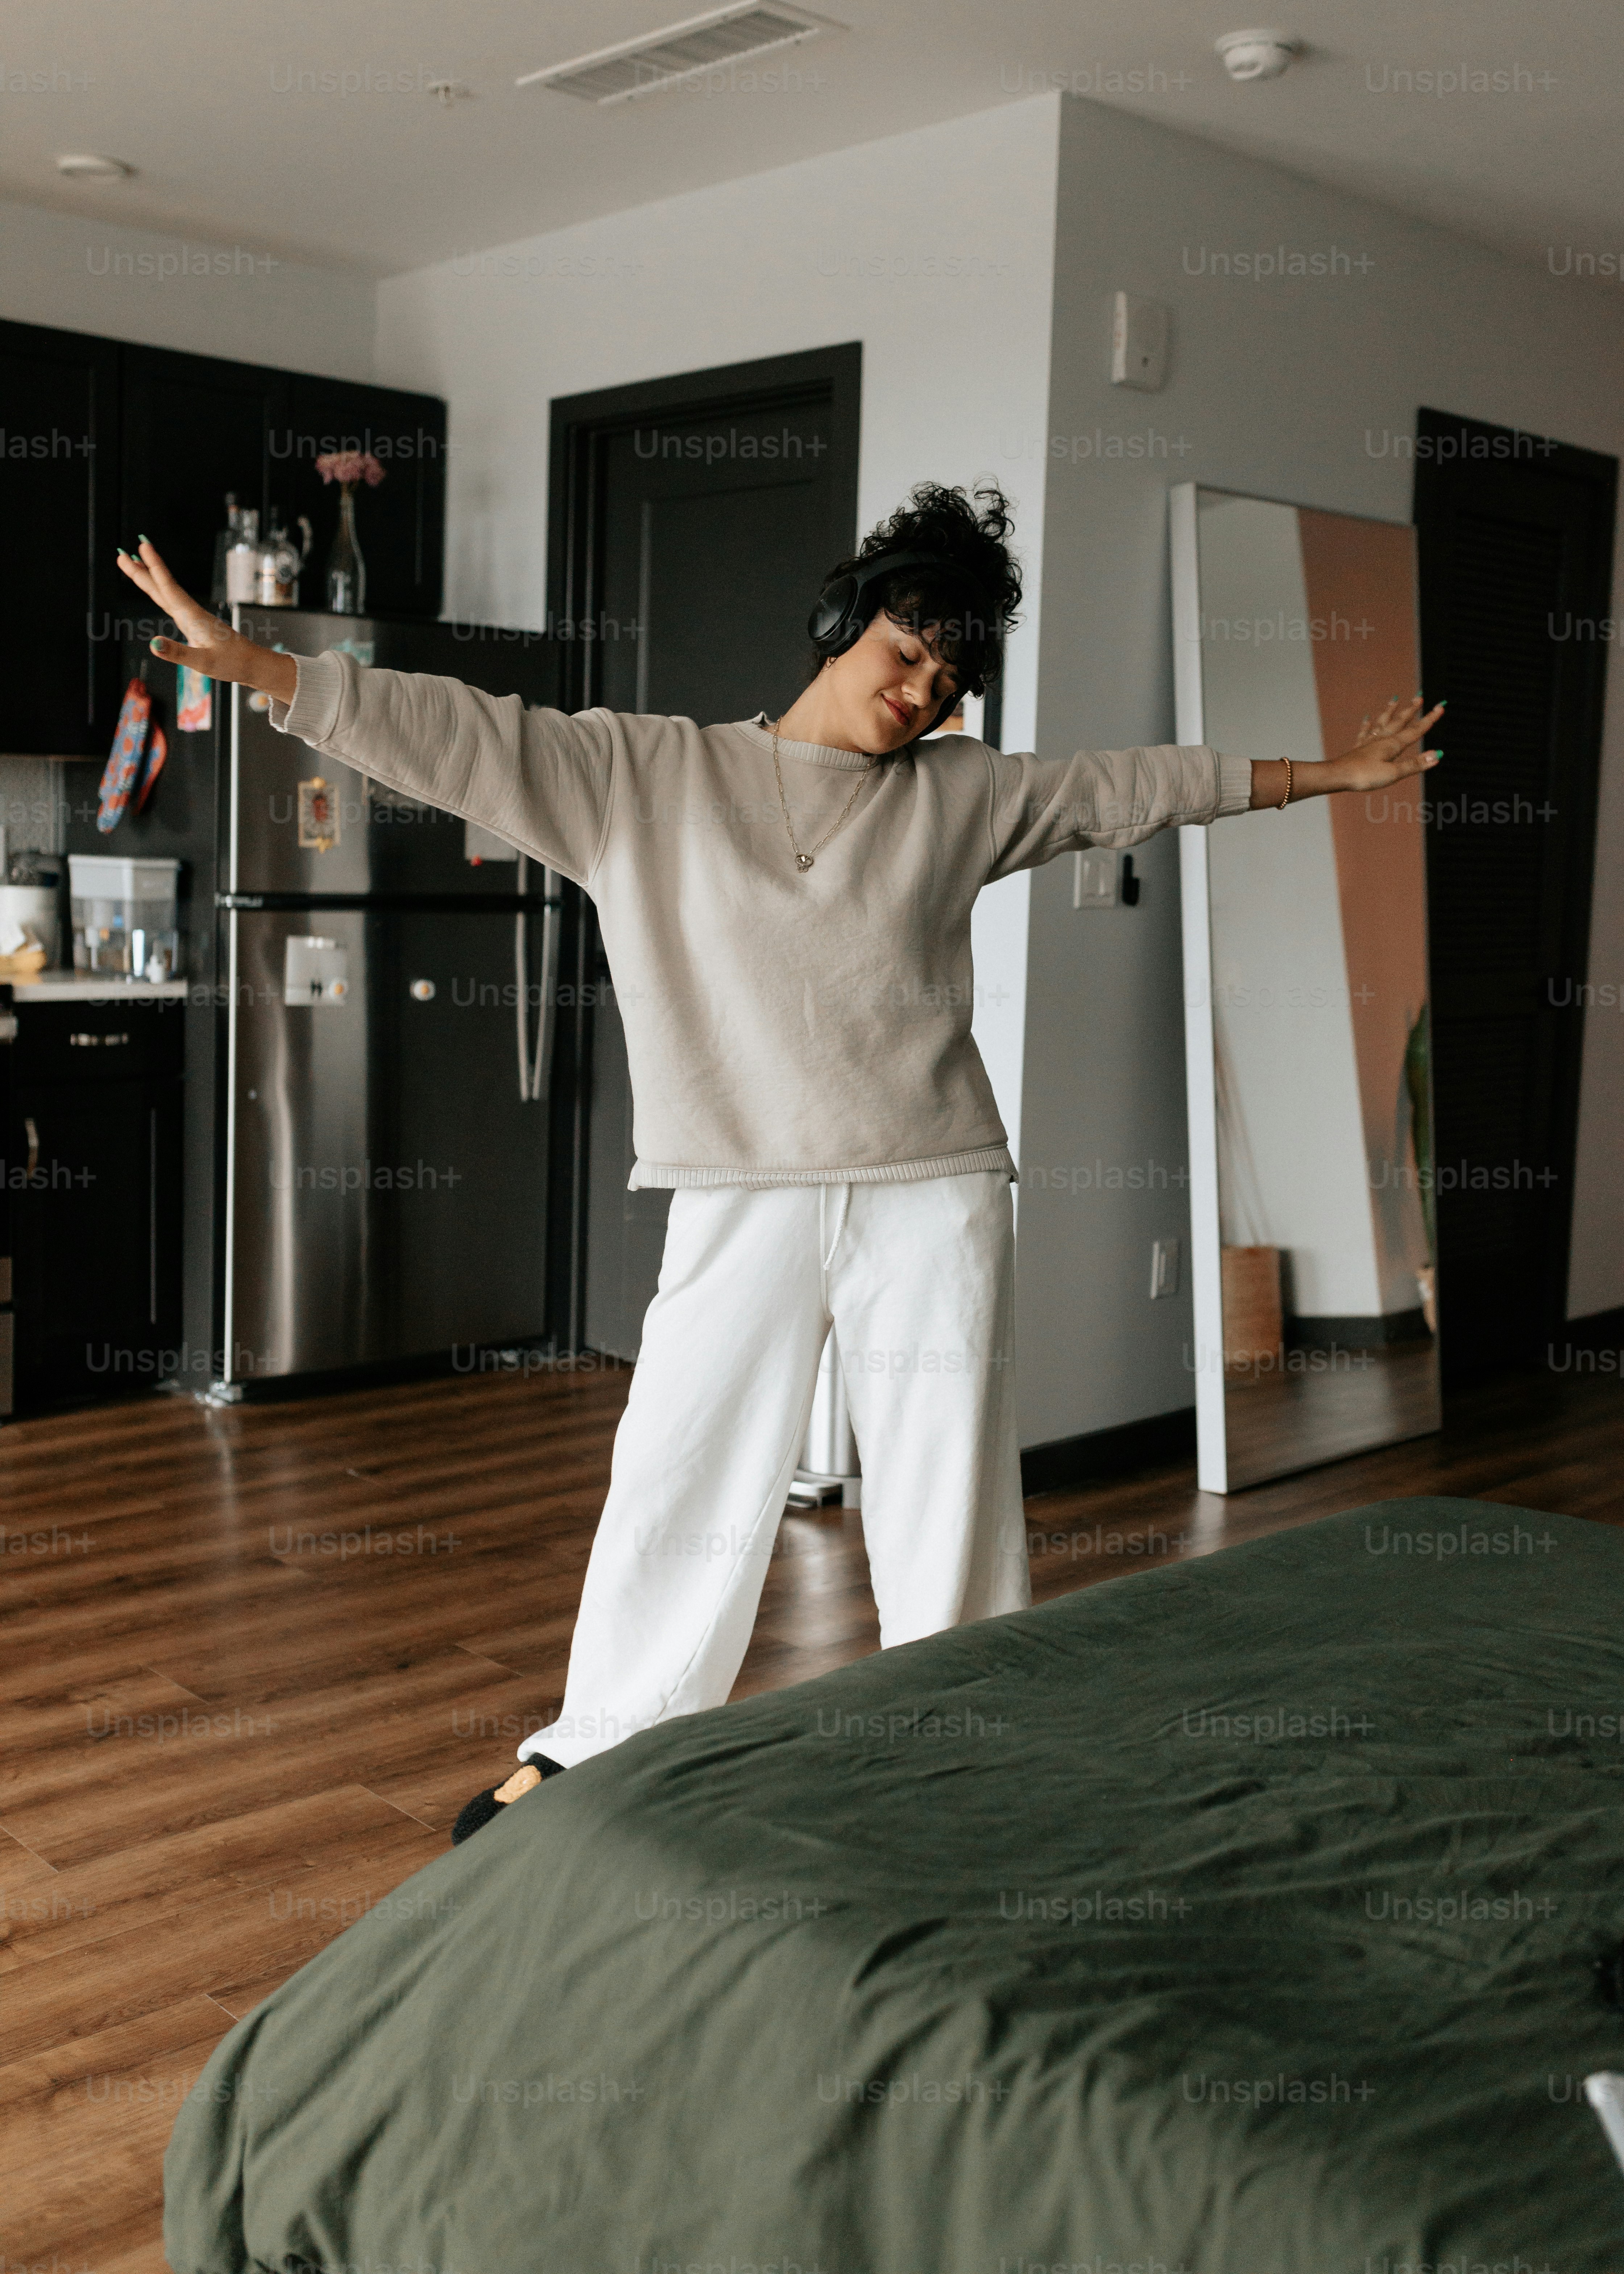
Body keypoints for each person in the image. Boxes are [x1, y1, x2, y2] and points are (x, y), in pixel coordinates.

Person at [116, 483, 1442, 1841]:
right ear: (842, 622)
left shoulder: (963, 796)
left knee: (947, 1489)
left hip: (932, 1186)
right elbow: (464, 734)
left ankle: (962, 1750)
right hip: (739, 1188)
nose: (918, 697)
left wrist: (1333, 775)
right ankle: (600, 1744)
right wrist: (268, 672)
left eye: (947, 685)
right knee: (678, 1467)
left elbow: (1129, 790)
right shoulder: (647, 775)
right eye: (905, 655)